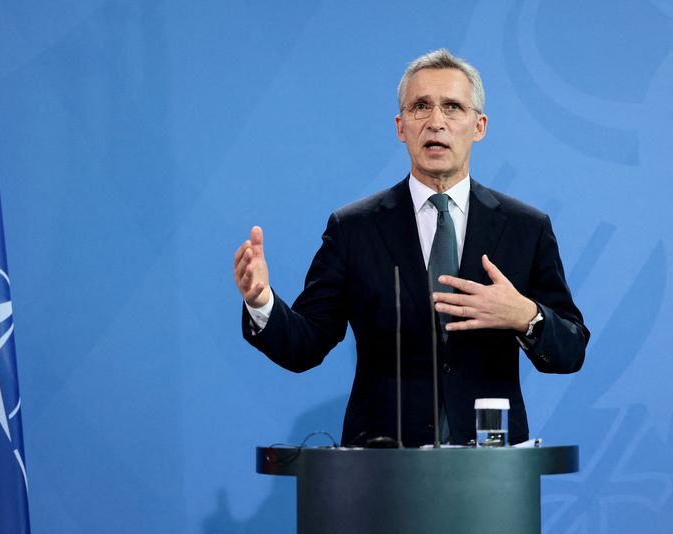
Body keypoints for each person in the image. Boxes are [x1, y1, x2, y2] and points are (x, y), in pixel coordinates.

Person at [233, 49, 588, 447]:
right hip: (384, 472)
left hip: (493, 475)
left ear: (479, 125)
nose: (436, 122)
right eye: (421, 107)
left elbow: (571, 350)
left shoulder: (527, 228)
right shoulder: (354, 229)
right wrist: (261, 301)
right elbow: (305, 345)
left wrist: (525, 315)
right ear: (401, 127)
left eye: (452, 107)